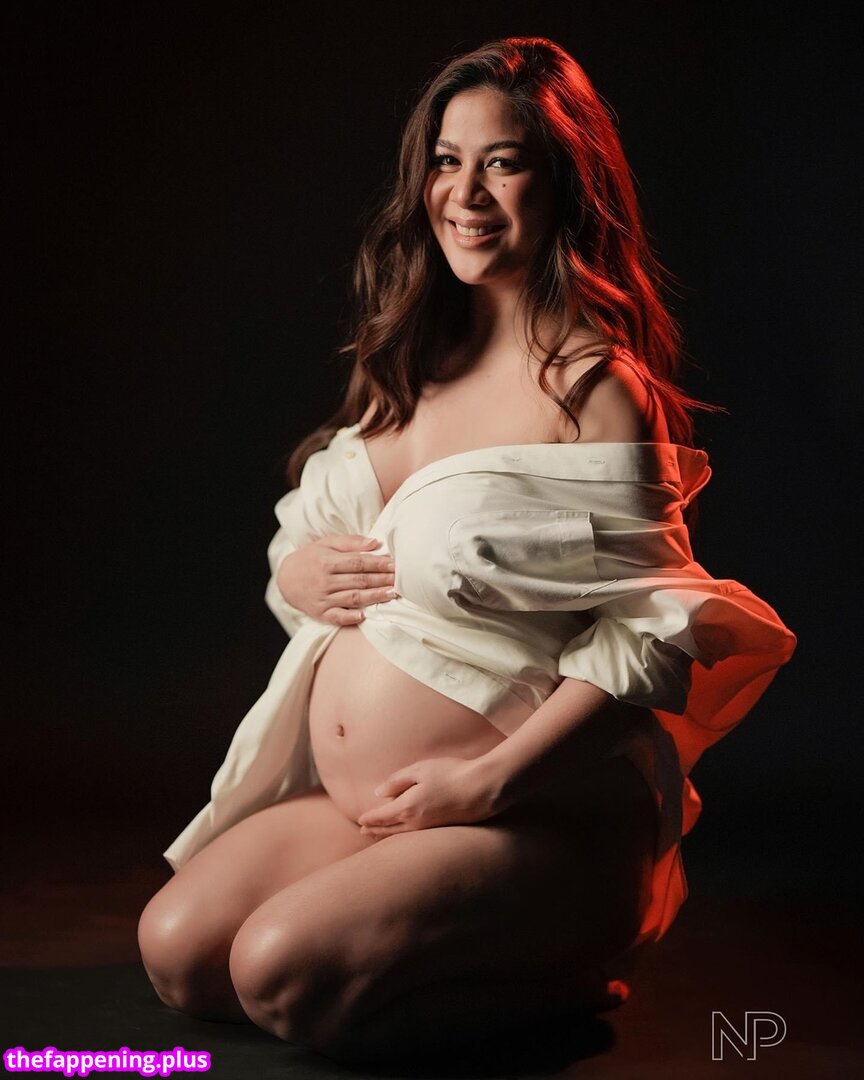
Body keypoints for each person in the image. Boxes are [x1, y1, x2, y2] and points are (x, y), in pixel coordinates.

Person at [137, 36, 796, 1068]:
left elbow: (652, 634)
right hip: (384, 810)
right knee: (179, 953)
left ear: (567, 184)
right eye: (448, 161)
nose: (467, 194)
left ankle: (566, 963)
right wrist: (297, 572)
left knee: (280, 977)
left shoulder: (594, 390)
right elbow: (323, 543)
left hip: (527, 814)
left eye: (505, 162)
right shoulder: (412, 362)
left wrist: (486, 784)